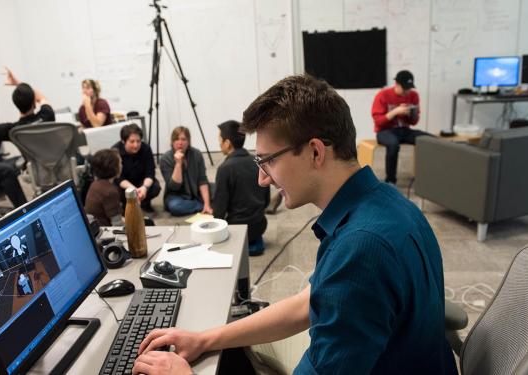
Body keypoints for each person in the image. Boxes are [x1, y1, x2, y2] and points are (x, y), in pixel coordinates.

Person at [134, 75, 457, 375]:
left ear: (315, 152)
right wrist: (204, 339)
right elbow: (310, 301)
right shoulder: (387, 201)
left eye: (268, 160)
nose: (262, 179)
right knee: (228, 344)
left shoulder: (361, 248)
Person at [212, 120, 269, 256]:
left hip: (236, 230)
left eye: (220, 139)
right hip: (259, 226)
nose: (219, 143)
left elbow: (219, 212)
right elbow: (266, 201)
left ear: (227, 143)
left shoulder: (224, 169)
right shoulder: (257, 162)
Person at [371, 70, 431, 184]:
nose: (407, 92)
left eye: (409, 88)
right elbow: (378, 122)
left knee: (429, 141)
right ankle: (391, 181)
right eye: (405, 89)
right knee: (393, 145)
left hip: (404, 130)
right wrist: (395, 112)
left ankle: (428, 177)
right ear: (397, 84)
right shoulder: (383, 95)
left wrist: (410, 114)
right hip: (385, 131)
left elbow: (414, 122)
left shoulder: (413, 95)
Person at [0, 68, 55, 143]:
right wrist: (18, 84)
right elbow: (41, 98)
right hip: (59, 161)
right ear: (34, 103)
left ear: (15, 104)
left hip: (35, 162)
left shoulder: (13, 130)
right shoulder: (47, 115)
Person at [159, 126, 212, 216]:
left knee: (218, 189)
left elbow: (202, 180)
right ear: (172, 142)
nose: (180, 143)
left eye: (183, 139)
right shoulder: (165, 159)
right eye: (176, 139)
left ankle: (204, 205)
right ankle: (200, 205)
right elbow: (174, 186)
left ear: (188, 141)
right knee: (175, 206)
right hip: (176, 196)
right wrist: (178, 164)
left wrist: (207, 204)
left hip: (196, 192)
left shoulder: (196, 154)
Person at [112, 124, 161, 212]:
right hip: (124, 184)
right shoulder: (115, 151)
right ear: (123, 141)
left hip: (141, 181)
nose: (136, 145)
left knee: (155, 187)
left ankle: (144, 203)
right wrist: (134, 190)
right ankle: (126, 206)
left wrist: (144, 188)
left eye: (138, 141)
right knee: (116, 191)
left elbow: (150, 172)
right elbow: (119, 178)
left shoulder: (146, 148)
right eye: (132, 141)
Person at [85, 149, 124, 226]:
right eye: (120, 163)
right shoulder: (110, 192)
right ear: (113, 167)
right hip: (105, 231)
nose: (122, 165)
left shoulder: (95, 184)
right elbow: (117, 225)